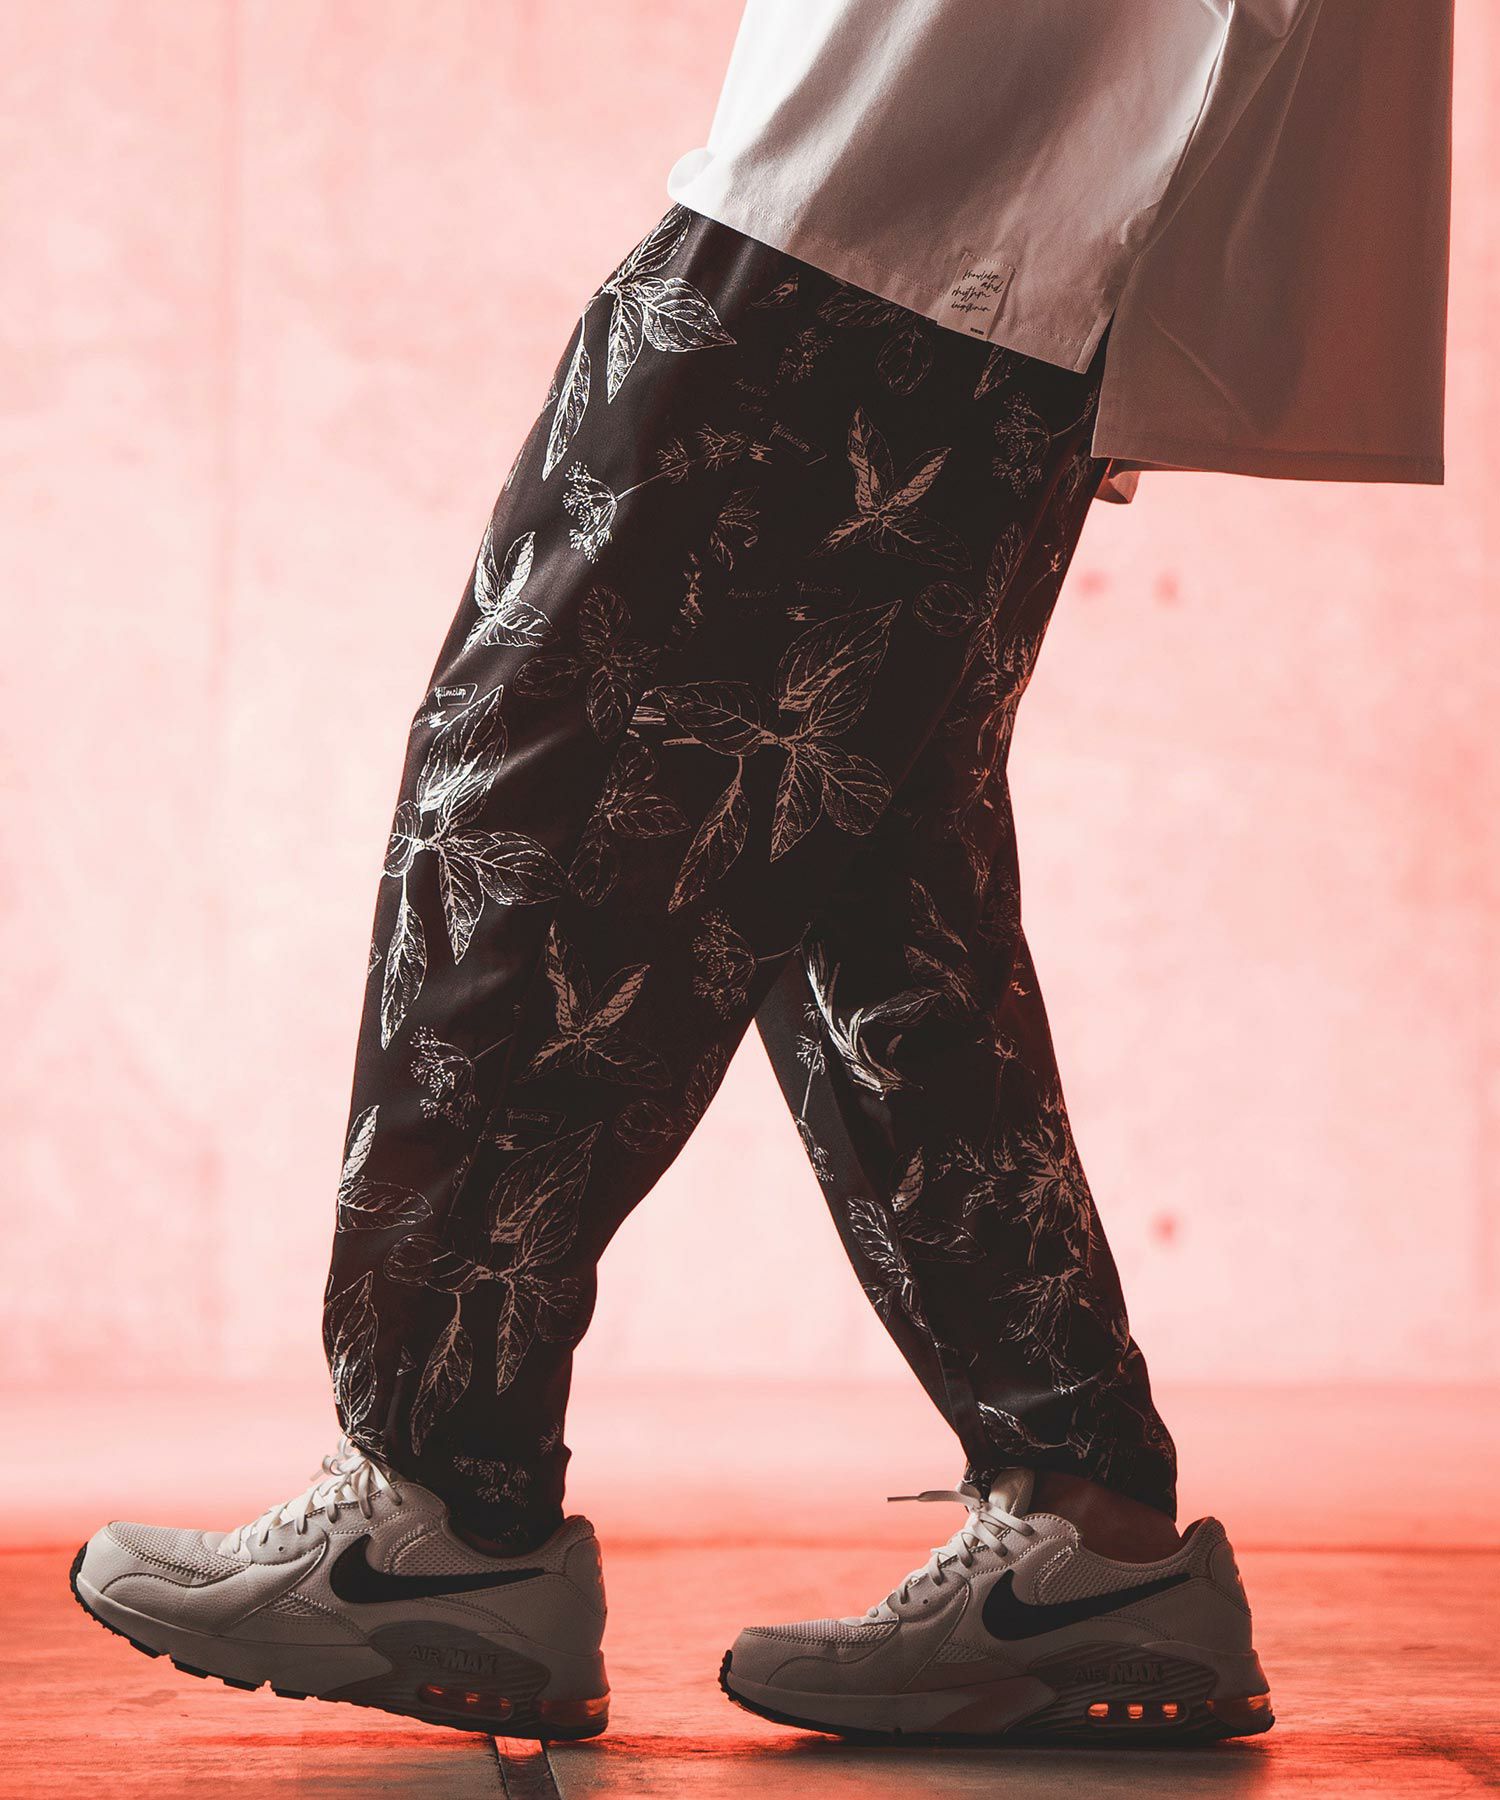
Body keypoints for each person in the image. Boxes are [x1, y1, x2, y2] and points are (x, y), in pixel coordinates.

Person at [69, 0, 1451, 1748]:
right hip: (1020, 196)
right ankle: (1085, 1524)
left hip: (939, 163)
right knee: (866, 858)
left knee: (541, 759)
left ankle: (436, 1508)